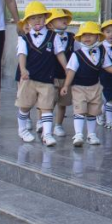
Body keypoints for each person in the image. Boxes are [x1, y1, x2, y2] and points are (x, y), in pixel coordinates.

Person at [61, 21, 112, 147]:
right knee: (79, 110)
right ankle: (78, 134)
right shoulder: (77, 54)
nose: (87, 37)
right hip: (79, 87)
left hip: (95, 86)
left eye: (91, 34)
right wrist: (66, 85)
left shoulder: (102, 52)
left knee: (92, 111)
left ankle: (91, 134)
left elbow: (108, 66)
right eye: (84, 35)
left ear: (98, 36)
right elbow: (71, 71)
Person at [14, 1, 66, 145]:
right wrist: (23, 69)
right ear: (27, 21)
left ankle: (47, 134)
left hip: (47, 79)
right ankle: (22, 130)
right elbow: (22, 54)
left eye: (40, 17)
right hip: (29, 79)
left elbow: (60, 53)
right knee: (24, 105)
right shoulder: (24, 38)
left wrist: (67, 69)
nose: (37, 20)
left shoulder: (53, 36)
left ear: (45, 19)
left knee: (47, 107)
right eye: (33, 18)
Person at [47, 9, 75, 138]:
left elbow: (79, 53)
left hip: (65, 76)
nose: (64, 20)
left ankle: (58, 125)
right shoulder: (48, 37)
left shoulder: (72, 37)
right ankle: (42, 122)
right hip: (50, 75)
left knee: (63, 102)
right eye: (59, 19)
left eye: (65, 18)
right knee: (47, 102)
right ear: (50, 24)